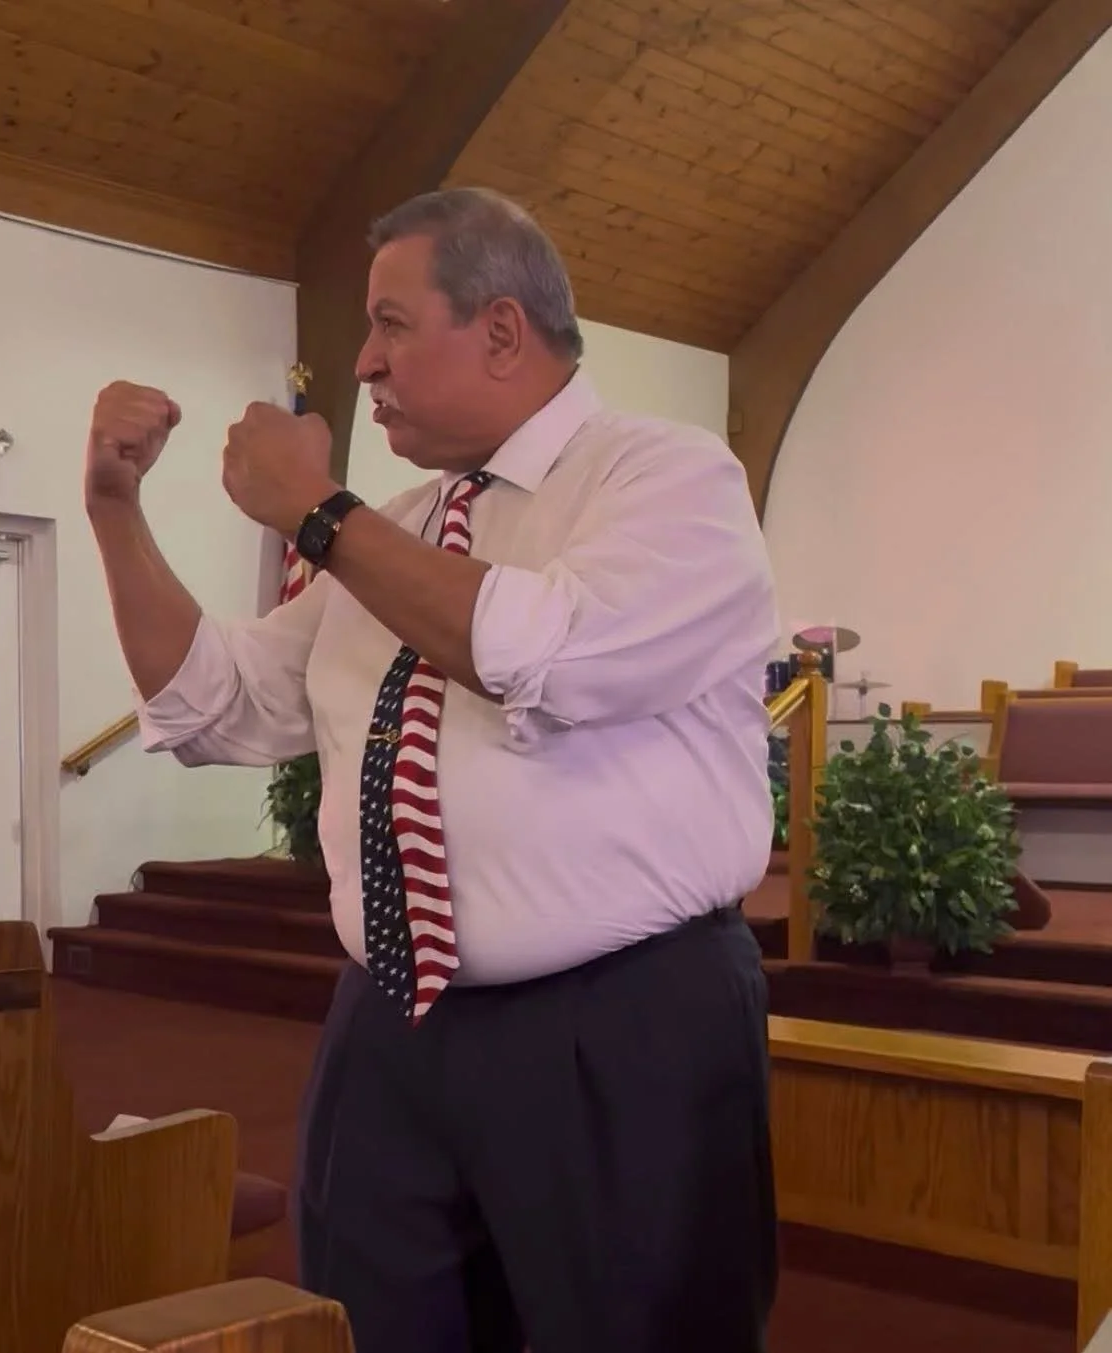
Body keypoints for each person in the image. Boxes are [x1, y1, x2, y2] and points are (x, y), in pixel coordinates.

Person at [84, 187, 780, 1353]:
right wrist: (115, 511)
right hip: (395, 1024)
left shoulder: (667, 480)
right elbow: (215, 705)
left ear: (502, 331)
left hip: (617, 1024)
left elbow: (528, 648)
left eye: (391, 325)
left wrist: (314, 507)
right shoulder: (397, 525)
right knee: (374, 1323)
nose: (364, 363)